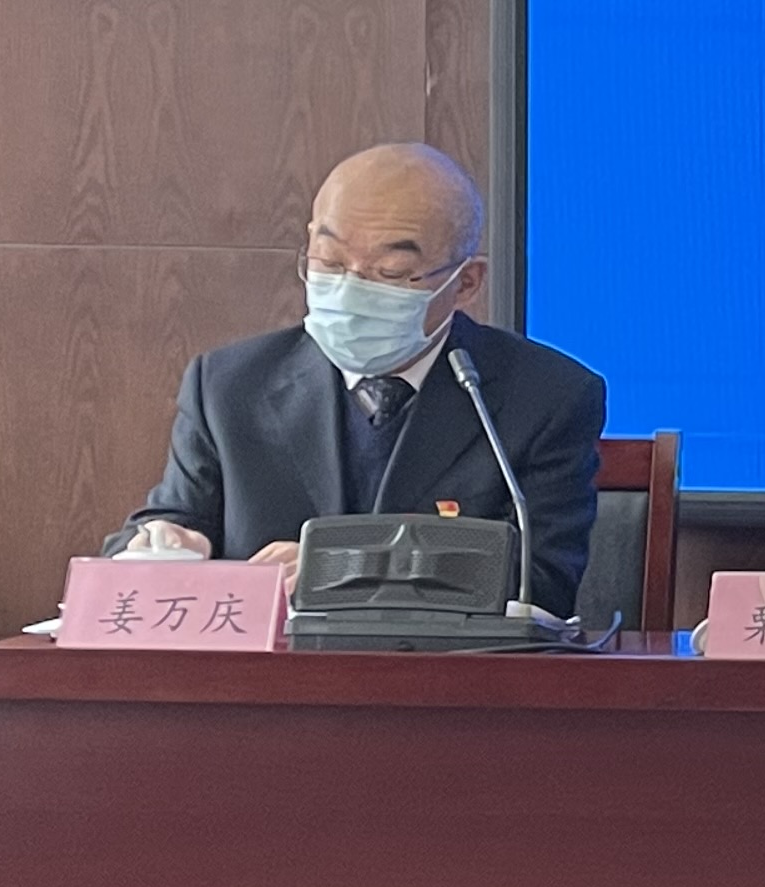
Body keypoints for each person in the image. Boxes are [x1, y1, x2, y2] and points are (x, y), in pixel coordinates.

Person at [117, 142, 606, 618]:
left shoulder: (546, 397)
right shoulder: (229, 386)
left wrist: (342, 567)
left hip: (440, 668)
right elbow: (171, 521)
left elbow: (541, 582)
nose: (350, 288)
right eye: (329, 262)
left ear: (465, 282)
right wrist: (162, 544)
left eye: (390, 273)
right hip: (272, 669)